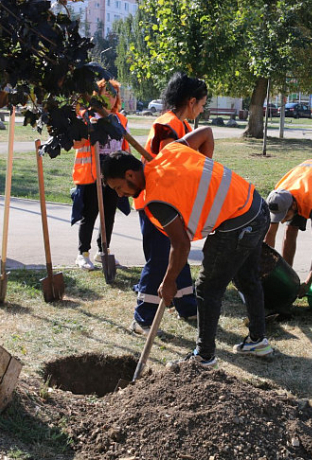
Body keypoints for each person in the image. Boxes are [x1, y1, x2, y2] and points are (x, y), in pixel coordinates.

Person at [103, 128, 273, 367]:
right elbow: (205, 134)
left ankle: (203, 357)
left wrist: (169, 280)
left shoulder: (157, 199)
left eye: (118, 187)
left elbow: (180, 244)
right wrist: (206, 171)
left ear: (130, 175)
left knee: (206, 287)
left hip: (238, 223)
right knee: (247, 278)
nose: (121, 194)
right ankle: (258, 340)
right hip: (256, 206)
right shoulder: (170, 150)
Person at [129, 72, 207, 335]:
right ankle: (143, 318)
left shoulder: (180, 125)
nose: (203, 109)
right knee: (160, 259)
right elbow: (169, 166)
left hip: (170, 204)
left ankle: (187, 305)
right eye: (203, 103)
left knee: (178, 253)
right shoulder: (169, 125)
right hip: (157, 205)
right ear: (192, 101)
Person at [71, 79, 131, 270]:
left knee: (109, 214)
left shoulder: (120, 120)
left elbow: (125, 146)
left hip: (114, 176)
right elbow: (75, 142)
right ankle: (83, 253)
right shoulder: (88, 117)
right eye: (107, 93)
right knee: (90, 214)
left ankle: (103, 250)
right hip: (92, 175)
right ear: (98, 95)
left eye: (114, 95)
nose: (110, 98)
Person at [264, 159, 312, 295]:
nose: (281, 221)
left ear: (293, 206)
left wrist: (308, 282)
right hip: (303, 180)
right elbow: (270, 235)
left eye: (284, 216)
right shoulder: (277, 199)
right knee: (289, 230)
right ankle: (287, 276)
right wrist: (267, 270)